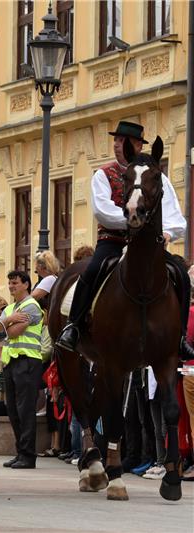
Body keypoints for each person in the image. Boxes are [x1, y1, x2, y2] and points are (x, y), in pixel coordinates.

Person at [56, 121, 194, 359]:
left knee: (181, 274)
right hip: (113, 241)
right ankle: (74, 327)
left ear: (138, 146)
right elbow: (102, 210)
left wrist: (169, 233)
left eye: (124, 142)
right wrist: (131, 219)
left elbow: (175, 216)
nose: (118, 146)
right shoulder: (104, 174)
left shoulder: (157, 177)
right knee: (93, 270)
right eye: (116, 141)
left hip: (150, 246)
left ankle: (179, 337)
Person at [0, 270, 44, 469]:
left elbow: (12, 333)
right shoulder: (13, 308)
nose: (12, 286)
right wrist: (10, 318)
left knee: (25, 410)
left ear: (26, 285)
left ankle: (28, 456)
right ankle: (20, 452)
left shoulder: (32, 306)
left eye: (15, 283)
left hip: (28, 362)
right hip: (11, 363)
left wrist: (6, 324)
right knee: (12, 410)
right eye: (10, 283)